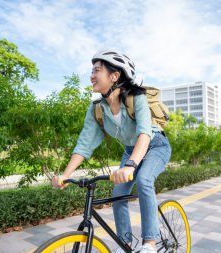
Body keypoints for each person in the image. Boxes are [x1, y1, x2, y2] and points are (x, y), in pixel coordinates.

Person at [52, 49, 171, 253]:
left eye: (97, 70)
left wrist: (130, 166)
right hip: (132, 149)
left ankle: (150, 244)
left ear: (114, 76)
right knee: (118, 193)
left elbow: (144, 133)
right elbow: (84, 144)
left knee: (144, 180)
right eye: (92, 71)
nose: (92, 75)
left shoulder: (136, 97)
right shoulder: (97, 109)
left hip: (155, 145)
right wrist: (66, 174)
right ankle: (124, 245)